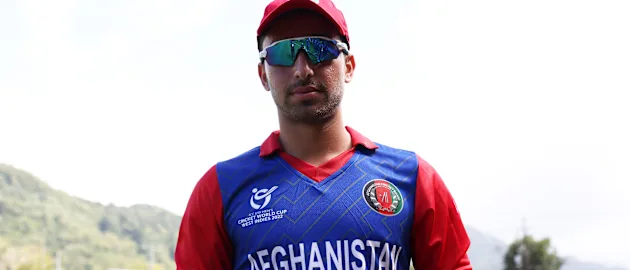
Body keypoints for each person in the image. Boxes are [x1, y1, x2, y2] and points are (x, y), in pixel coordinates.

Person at [174, 0, 473, 269]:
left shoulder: (412, 177)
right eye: (282, 52)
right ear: (263, 74)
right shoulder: (220, 189)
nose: (302, 68)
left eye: (320, 48)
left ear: (349, 66)